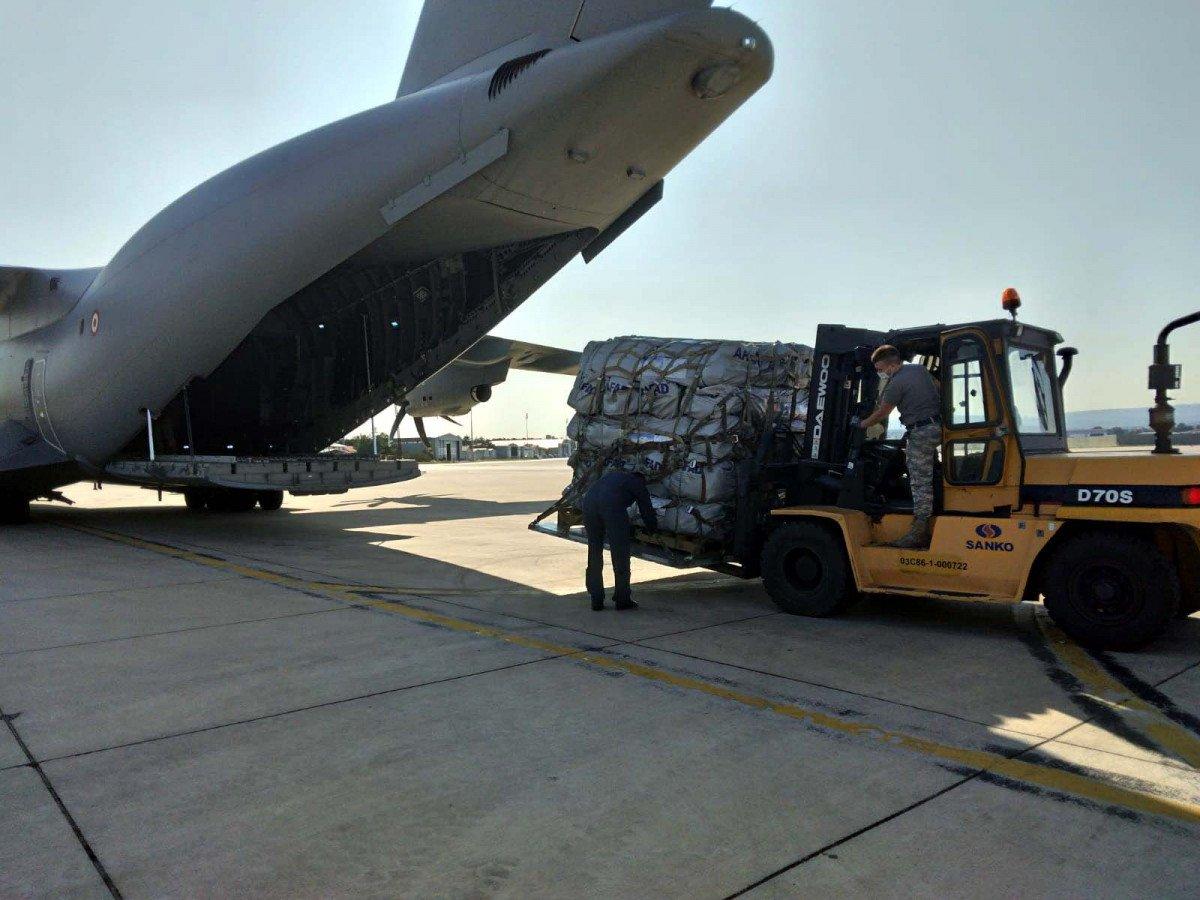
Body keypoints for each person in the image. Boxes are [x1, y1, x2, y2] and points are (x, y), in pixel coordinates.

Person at [857, 344, 941, 548]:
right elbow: (938, 388)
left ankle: (919, 530)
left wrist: (861, 424)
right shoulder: (920, 370)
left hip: (921, 432)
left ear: (890, 365)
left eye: (880, 369)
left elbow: (883, 412)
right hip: (937, 426)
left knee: (919, 481)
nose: (880, 373)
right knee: (931, 469)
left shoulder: (895, 383)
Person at [582, 468, 658, 611]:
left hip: (589, 504)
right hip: (612, 508)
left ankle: (596, 599)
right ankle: (622, 599)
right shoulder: (638, 484)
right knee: (620, 553)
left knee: (594, 552)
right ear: (642, 479)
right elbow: (646, 509)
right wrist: (652, 529)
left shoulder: (613, 476)